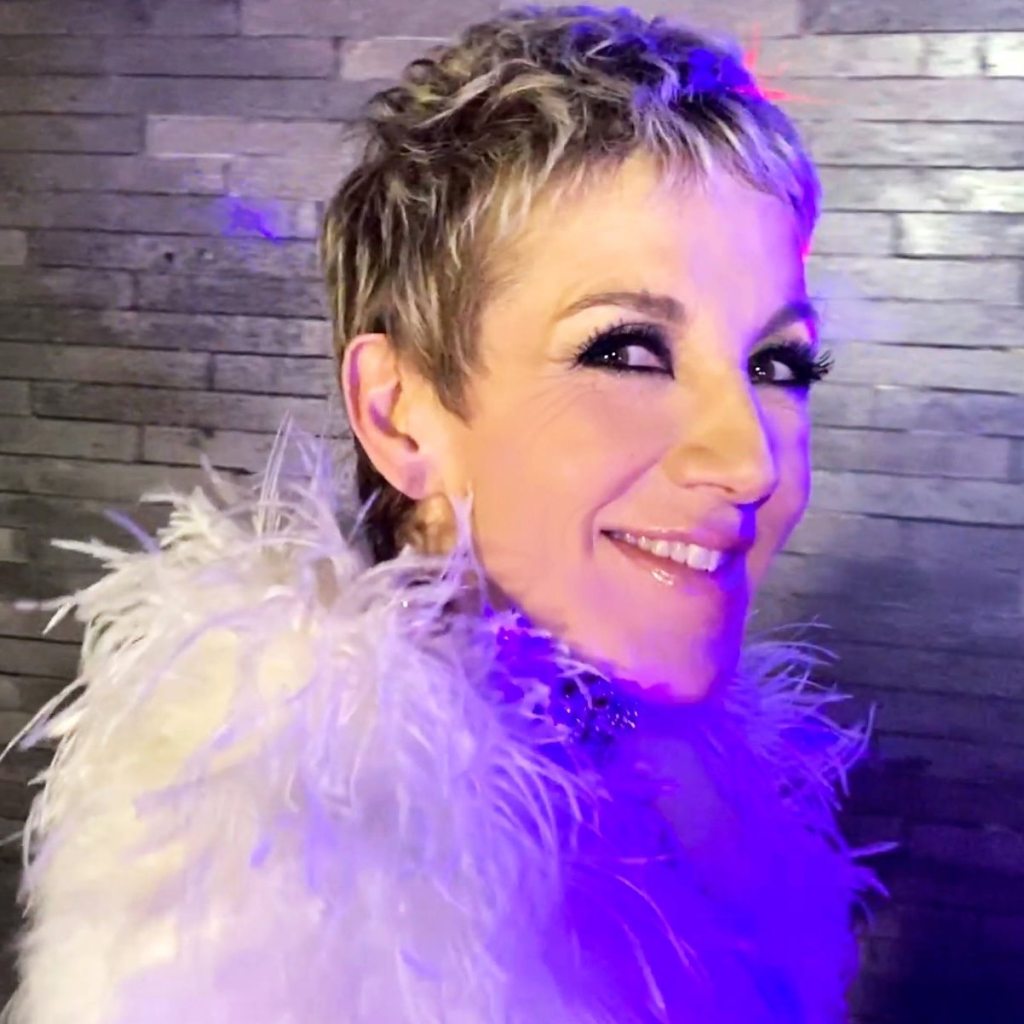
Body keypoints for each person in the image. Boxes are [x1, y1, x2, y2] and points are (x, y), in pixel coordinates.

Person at [3, 6, 879, 1023]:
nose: (749, 462)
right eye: (628, 351)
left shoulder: (698, 792)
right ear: (400, 412)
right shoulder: (274, 906)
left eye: (777, 363)